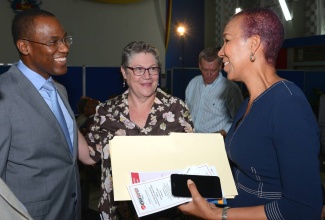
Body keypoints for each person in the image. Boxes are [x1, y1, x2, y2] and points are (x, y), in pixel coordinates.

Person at [178, 8, 322, 219]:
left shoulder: (288, 104)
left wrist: (219, 214)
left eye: (227, 40)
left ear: (253, 44)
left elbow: (303, 207)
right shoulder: (248, 103)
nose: (221, 52)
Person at [78, 41, 194, 219]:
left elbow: (190, 161)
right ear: (124, 72)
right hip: (119, 211)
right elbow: (89, 156)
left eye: (153, 68)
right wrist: (65, 118)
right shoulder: (107, 111)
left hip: (167, 211)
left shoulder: (176, 109)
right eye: (138, 69)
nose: (147, 76)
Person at [0, 9, 81, 219]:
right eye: (53, 42)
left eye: (64, 39)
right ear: (24, 46)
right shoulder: (4, 96)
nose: (65, 48)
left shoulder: (59, 90)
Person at [185, 47, 243, 136]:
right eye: (205, 70)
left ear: (220, 67)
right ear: (200, 66)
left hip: (218, 141)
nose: (208, 74)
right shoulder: (193, 83)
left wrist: (220, 134)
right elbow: (187, 112)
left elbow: (239, 119)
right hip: (192, 139)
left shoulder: (230, 89)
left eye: (213, 70)